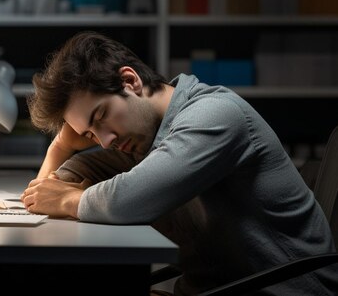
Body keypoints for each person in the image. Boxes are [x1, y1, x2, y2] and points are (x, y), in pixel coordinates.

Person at [21, 31, 338, 295]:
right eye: (90, 134)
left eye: (101, 115)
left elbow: (130, 197)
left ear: (130, 81)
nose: (104, 140)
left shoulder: (213, 116)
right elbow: (51, 191)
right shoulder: (146, 137)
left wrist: (70, 199)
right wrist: (61, 147)